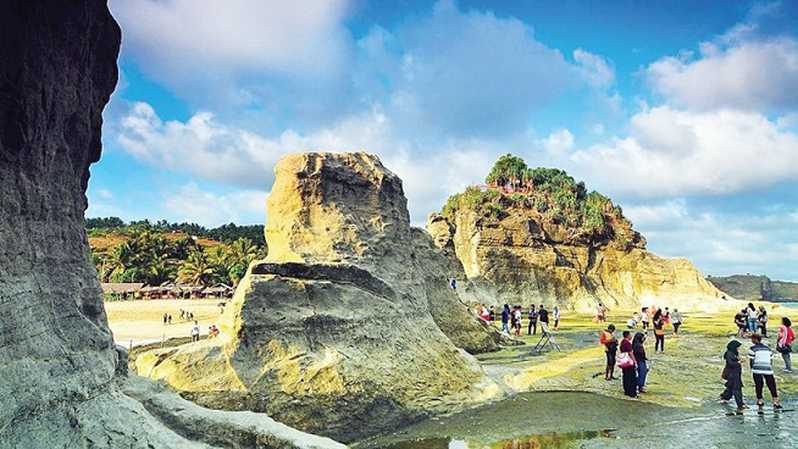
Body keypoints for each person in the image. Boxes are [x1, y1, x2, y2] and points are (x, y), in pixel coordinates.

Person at [748, 333, 781, 409]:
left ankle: (760, 400)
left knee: (759, 385)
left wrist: (752, 368)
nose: (752, 340)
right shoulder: (768, 348)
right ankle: (775, 401)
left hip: (757, 368)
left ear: (755, 339)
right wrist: (769, 366)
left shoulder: (752, 348)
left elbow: (751, 360)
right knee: (772, 385)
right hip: (768, 368)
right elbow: (771, 359)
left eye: (752, 339)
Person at [719, 340, 746, 411]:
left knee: (730, 387)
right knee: (737, 389)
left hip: (735, 374)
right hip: (732, 374)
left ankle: (724, 397)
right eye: (737, 347)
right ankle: (740, 404)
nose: (738, 349)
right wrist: (739, 362)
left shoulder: (733, 353)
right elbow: (730, 363)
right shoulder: (729, 354)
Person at [619, 331, 637, 398]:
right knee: (631, 377)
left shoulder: (622, 342)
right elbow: (630, 353)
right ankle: (631, 392)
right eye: (630, 335)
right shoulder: (627, 343)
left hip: (624, 361)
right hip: (629, 362)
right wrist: (634, 361)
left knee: (625, 375)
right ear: (627, 335)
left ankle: (626, 390)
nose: (631, 336)